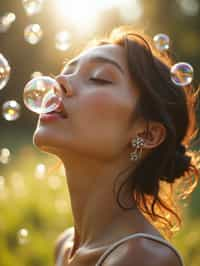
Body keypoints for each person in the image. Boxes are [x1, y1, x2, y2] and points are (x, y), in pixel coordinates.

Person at [33, 26, 200, 266]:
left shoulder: (143, 258)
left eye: (99, 77)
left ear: (147, 134)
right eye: (66, 71)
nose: (59, 81)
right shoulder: (64, 246)